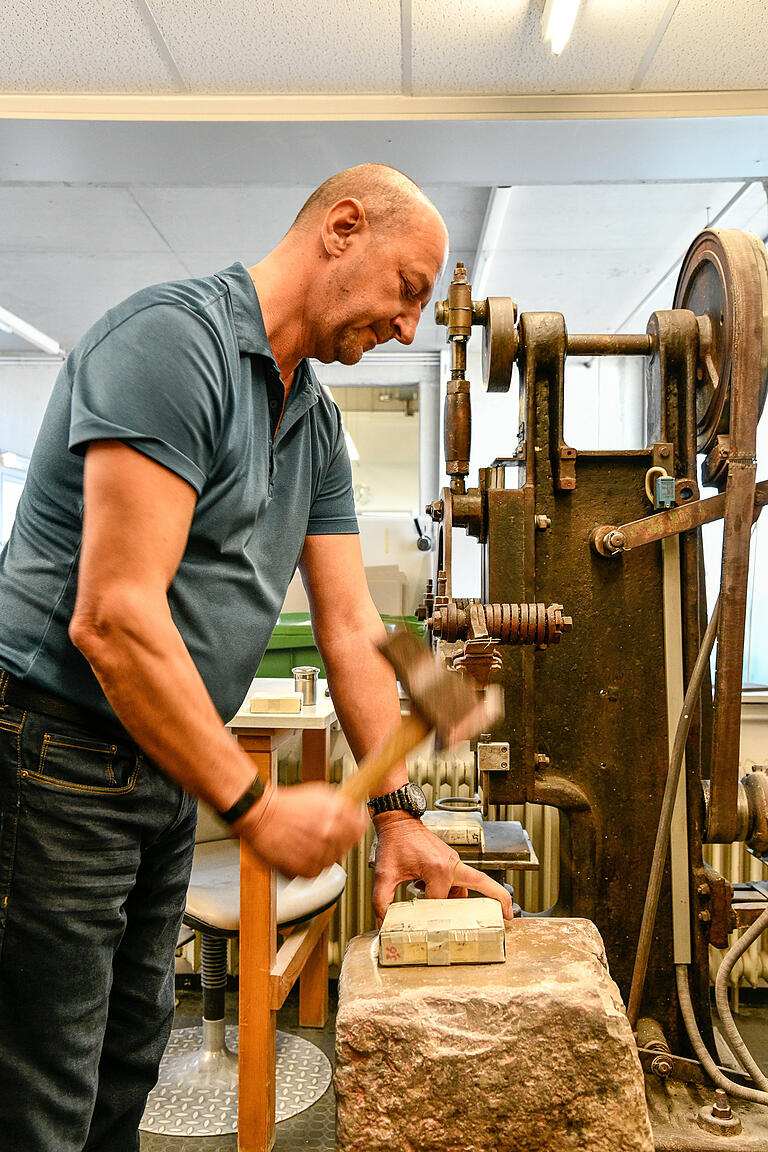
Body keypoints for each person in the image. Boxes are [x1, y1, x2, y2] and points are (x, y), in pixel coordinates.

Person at [0, 163, 513, 1151]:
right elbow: (112, 620)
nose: (410, 328)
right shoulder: (169, 346)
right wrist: (254, 804)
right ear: (342, 228)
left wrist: (398, 809)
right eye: (408, 291)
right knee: (42, 1090)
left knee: (125, 1066)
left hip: (157, 775)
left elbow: (356, 625)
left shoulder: (315, 423)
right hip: (50, 758)